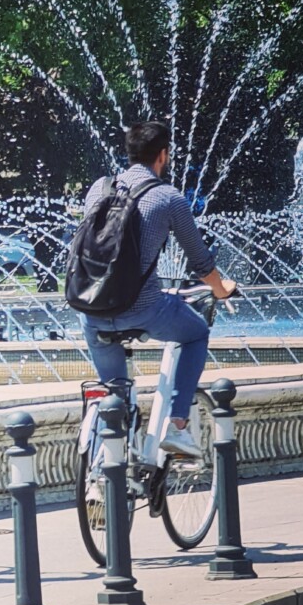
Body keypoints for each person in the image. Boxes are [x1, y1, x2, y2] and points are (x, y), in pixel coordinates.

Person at [79, 122, 237, 456]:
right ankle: (177, 426)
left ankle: (102, 465)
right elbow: (201, 262)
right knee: (195, 333)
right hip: (143, 307)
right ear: (163, 156)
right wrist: (221, 289)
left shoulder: (99, 188)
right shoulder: (167, 198)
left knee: (114, 396)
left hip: (90, 310)